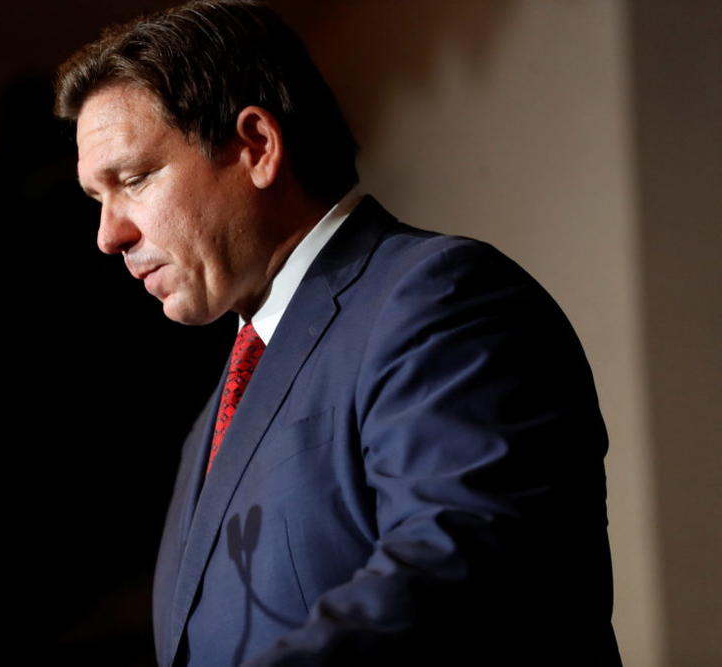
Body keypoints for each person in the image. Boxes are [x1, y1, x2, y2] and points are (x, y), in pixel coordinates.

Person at [55, 1, 621, 665]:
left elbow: (461, 564)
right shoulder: (211, 420)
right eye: (98, 199)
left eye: (134, 178)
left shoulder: (440, 300)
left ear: (257, 146)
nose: (108, 234)